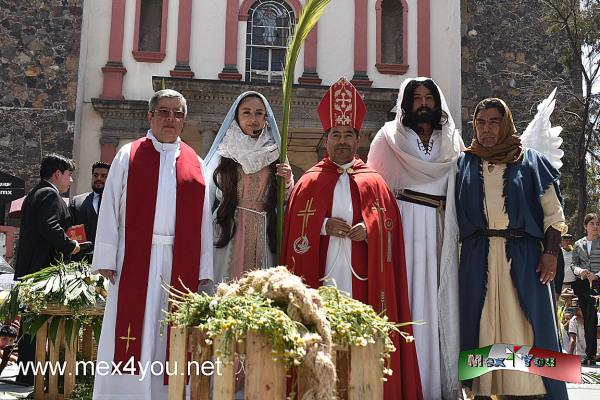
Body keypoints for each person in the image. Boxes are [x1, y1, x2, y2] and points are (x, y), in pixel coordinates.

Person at [282, 77, 422, 400]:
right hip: (323, 279)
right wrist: (322, 226)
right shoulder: (309, 182)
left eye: (348, 134)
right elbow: (294, 231)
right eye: (336, 134)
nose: (342, 141)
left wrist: (369, 230)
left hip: (363, 282)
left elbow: (389, 228)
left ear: (359, 138)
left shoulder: (375, 182)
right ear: (326, 138)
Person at [91, 89, 213, 399]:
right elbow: (111, 208)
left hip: (178, 261)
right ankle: (124, 394)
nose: (170, 119)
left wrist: (204, 268)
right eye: (164, 112)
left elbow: (203, 222)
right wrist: (106, 257)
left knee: (169, 333)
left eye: (177, 113)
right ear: (150, 116)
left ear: (183, 120)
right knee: (132, 332)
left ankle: (165, 394)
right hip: (133, 259)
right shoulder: (128, 154)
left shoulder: (196, 163)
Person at [456, 98, 568, 398]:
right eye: (480, 123)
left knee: (527, 325)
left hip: (524, 256)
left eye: (494, 122)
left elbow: (554, 216)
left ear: (505, 124)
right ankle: (484, 388)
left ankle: (532, 391)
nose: (487, 129)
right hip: (477, 259)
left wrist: (551, 253)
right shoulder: (463, 164)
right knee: (482, 324)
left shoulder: (531, 161)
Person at [367, 77, 463, 399]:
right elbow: (371, 186)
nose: (423, 103)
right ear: (406, 104)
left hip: (440, 227)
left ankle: (437, 385)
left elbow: (463, 186)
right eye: (417, 98)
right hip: (404, 227)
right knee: (408, 301)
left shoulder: (452, 141)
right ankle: (407, 383)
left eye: (429, 98)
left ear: (437, 103)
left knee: (439, 304)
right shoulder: (388, 138)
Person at [204, 92, 292, 285]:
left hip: (264, 225)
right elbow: (209, 193)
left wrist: (287, 180)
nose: (253, 119)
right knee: (226, 284)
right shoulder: (225, 152)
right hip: (228, 226)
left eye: (259, 113)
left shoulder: (275, 153)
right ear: (237, 117)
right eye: (247, 112)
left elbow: (284, 198)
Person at [14, 153, 80, 385]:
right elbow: (50, 227)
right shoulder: (49, 195)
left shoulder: (37, 193)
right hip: (42, 271)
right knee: (38, 322)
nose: (71, 180)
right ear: (57, 174)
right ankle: (32, 373)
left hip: (32, 269)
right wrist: (71, 245)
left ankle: (28, 373)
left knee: (32, 322)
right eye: (69, 175)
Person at [570, 212, 600, 365]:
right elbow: (573, 264)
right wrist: (580, 271)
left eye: (598, 224)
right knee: (589, 320)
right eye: (592, 223)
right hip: (584, 286)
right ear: (585, 226)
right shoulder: (578, 244)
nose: (595, 226)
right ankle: (590, 355)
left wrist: (597, 275)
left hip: (598, 283)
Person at [69, 161, 111, 262]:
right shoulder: (77, 201)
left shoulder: (118, 203)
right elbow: (68, 229)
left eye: (104, 176)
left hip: (108, 262)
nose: (99, 179)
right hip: (81, 262)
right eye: (95, 175)